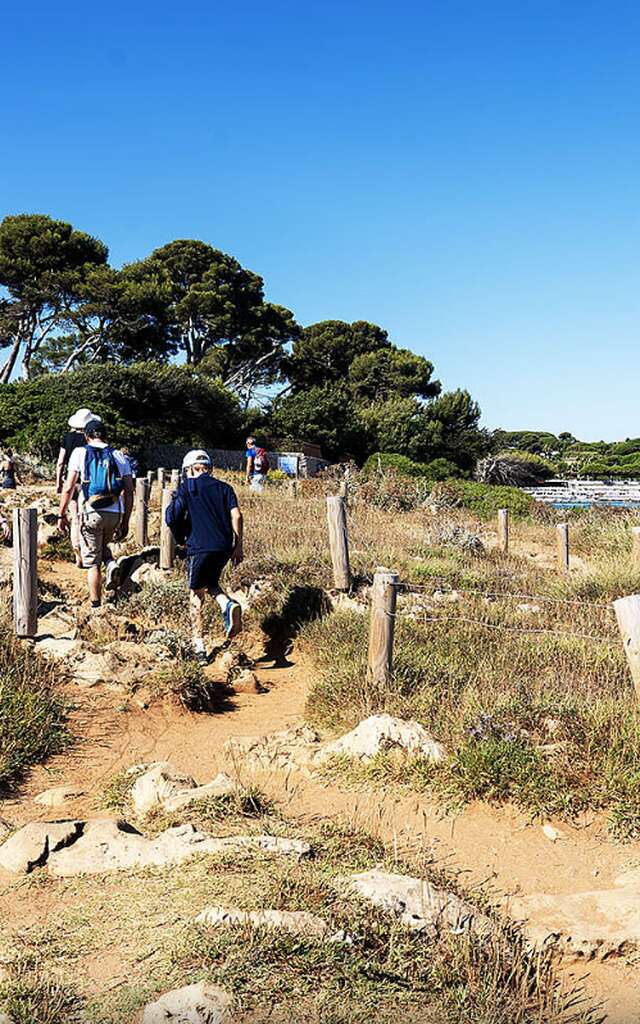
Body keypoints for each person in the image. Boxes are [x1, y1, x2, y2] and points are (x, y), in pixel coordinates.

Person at [166, 449, 243, 664]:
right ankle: (226, 604)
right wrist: (238, 547)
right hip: (223, 548)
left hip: (199, 547)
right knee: (211, 583)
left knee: (196, 594)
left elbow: (172, 517)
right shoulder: (225, 488)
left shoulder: (187, 487)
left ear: (190, 469)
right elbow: (237, 515)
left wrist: (180, 537)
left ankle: (199, 647)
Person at [58, 418, 133, 608]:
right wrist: (125, 521)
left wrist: (61, 514)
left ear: (86, 436)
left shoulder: (80, 452)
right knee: (102, 545)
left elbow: (68, 488)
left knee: (92, 562)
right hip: (115, 512)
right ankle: (110, 564)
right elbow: (129, 491)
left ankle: (96, 605)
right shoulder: (118, 455)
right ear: (105, 435)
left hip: (91, 512)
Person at [56, 408, 102, 566]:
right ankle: (86, 550)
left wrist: (58, 482)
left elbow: (61, 461)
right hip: (87, 482)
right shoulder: (90, 438)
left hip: (71, 480)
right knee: (85, 517)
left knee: (75, 518)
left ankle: (77, 554)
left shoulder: (67, 438)